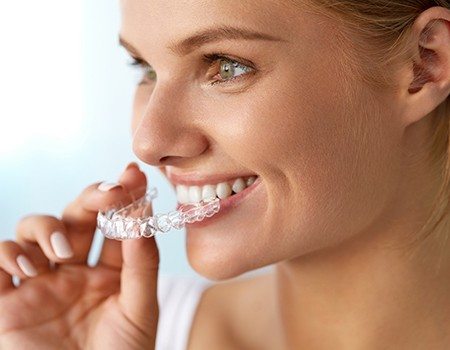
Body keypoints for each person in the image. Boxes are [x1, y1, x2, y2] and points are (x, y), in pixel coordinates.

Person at [1, 0, 450, 349]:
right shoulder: (115, 331)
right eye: (147, 69)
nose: (148, 143)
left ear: (424, 65)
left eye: (226, 65)